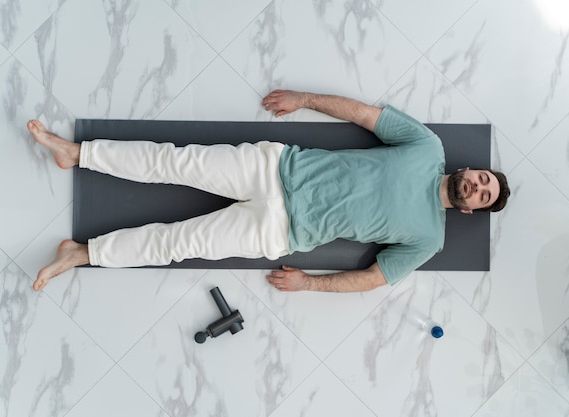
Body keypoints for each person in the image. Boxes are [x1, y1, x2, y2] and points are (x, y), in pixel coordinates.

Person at [29, 89, 510, 293]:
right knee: (172, 160)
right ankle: (77, 154)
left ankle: (82, 254)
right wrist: (304, 99)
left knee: (176, 245)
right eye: (483, 179)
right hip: (275, 168)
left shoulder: (430, 238)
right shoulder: (428, 146)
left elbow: (373, 279)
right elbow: (366, 115)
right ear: (470, 169)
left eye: (483, 195)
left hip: (278, 231)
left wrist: (309, 284)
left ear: (470, 210)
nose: (477, 186)